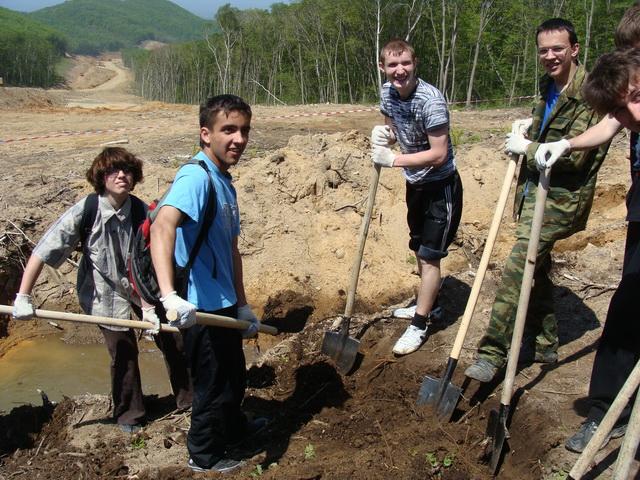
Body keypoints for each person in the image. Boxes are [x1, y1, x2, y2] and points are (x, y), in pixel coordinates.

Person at [464, 18, 611, 382]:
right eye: (543, 50)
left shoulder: (591, 93)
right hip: (533, 192)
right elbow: (543, 133)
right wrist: (527, 130)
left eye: (557, 49)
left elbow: (574, 156)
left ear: (574, 49)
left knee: (518, 266)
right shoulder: (547, 86)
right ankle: (546, 341)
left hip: (562, 199)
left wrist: (527, 148)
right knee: (537, 265)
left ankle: (491, 353)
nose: (550, 56)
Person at [12, 147, 192, 433]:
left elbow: (148, 263)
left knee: (173, 339)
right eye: (114, 170)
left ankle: (188, 399)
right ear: (101, 176)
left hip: (141, 285)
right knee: (122, 349)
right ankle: (129, 414)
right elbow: (42, 252)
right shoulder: (87, 211)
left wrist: (148, 307)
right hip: (102, 291)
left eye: (128, 171)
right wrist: (23, 296)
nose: (122, 175)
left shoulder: (142, 212)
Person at [150, 94, 266, 473]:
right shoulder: (195, 176)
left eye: (244, 131)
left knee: (234, 376)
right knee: (212, 384)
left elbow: (231, 249)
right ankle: (203, 454)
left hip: (224, 302)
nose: (239, 139)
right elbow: (163, 225)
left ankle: (233, 429)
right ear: (206, 134)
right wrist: (169, 296)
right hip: (198, 306)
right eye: (228, 130)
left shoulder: (224, 183)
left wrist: (243, 304)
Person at [537, 43, 640, 453]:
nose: (632, 116)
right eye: (621, 111)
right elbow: (610, 125)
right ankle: (605, 411)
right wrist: (566, 144)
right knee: (627, 311)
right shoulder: (625, 109)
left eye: (635, 99)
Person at [370, 38, 463, 356]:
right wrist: (386, 135)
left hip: (441, 187)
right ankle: (431, 306)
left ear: (415, 63)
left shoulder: (431, 100)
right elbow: (393, 128)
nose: (399, 71)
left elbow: (438, 154)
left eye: (405, 63)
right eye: (392, 65)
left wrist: (393, 160)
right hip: (415, 184)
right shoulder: (387, 92)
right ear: (383, 67)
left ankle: (420, 325)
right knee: (418, 247)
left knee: (429, 255)